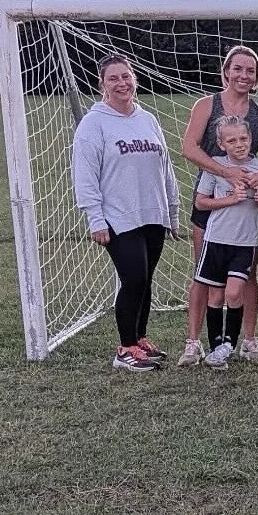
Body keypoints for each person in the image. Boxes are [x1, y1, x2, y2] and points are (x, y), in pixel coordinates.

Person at [72, 55, 180, 372]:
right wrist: (95, 218)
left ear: (134, 78)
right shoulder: (94, 124)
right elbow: (85, 175)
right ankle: (125, 349)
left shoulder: (146, 118)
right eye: (113, 78)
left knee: (145, 281)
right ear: (102, 84)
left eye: (126, 76)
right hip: (118, 217)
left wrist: (171, 212)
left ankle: (141, 339)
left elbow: (166, 168)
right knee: (132, 280)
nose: (122, 83)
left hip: (153, 214)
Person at [179, 45, 258, 366]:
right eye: (238, 69)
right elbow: (189, 148)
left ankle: (248, 339)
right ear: (226, 70)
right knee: (204, 277)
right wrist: (226, 172)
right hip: (212, 203)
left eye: (250, 70)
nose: (243, 75)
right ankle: (194, 343)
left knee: (246, 276)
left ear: (256, 76)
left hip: (248, 210)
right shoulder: (207, 105)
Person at [188, 115, 258, 370]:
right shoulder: (215, 166)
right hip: (216, 240)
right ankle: (215, 349)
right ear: (222, 144)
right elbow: (201, 202)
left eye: (243, 138)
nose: (239, 144)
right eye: (232, 140)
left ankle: (230, 344)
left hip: (245, 242)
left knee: (234, 293)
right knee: (216, 294)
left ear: (251, 139)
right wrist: (229, 200)